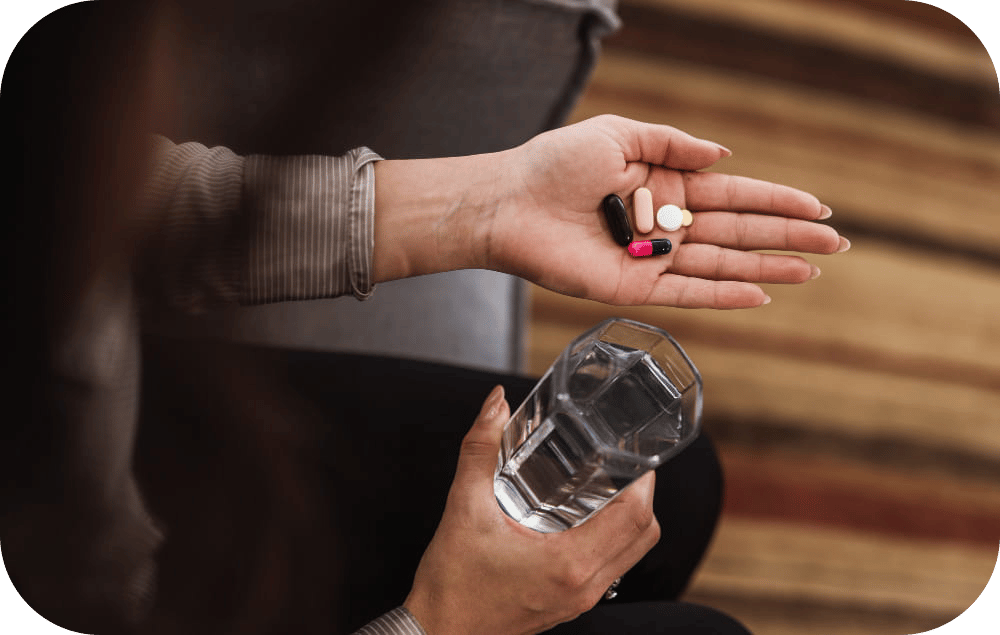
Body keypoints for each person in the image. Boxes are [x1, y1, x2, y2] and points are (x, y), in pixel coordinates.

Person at [3, 1, 849, 634]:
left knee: (685, 474)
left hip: (137, 446)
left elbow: (94, 202)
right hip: (114, 583)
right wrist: (440, 617)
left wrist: (488, 205)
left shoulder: (48, 143)